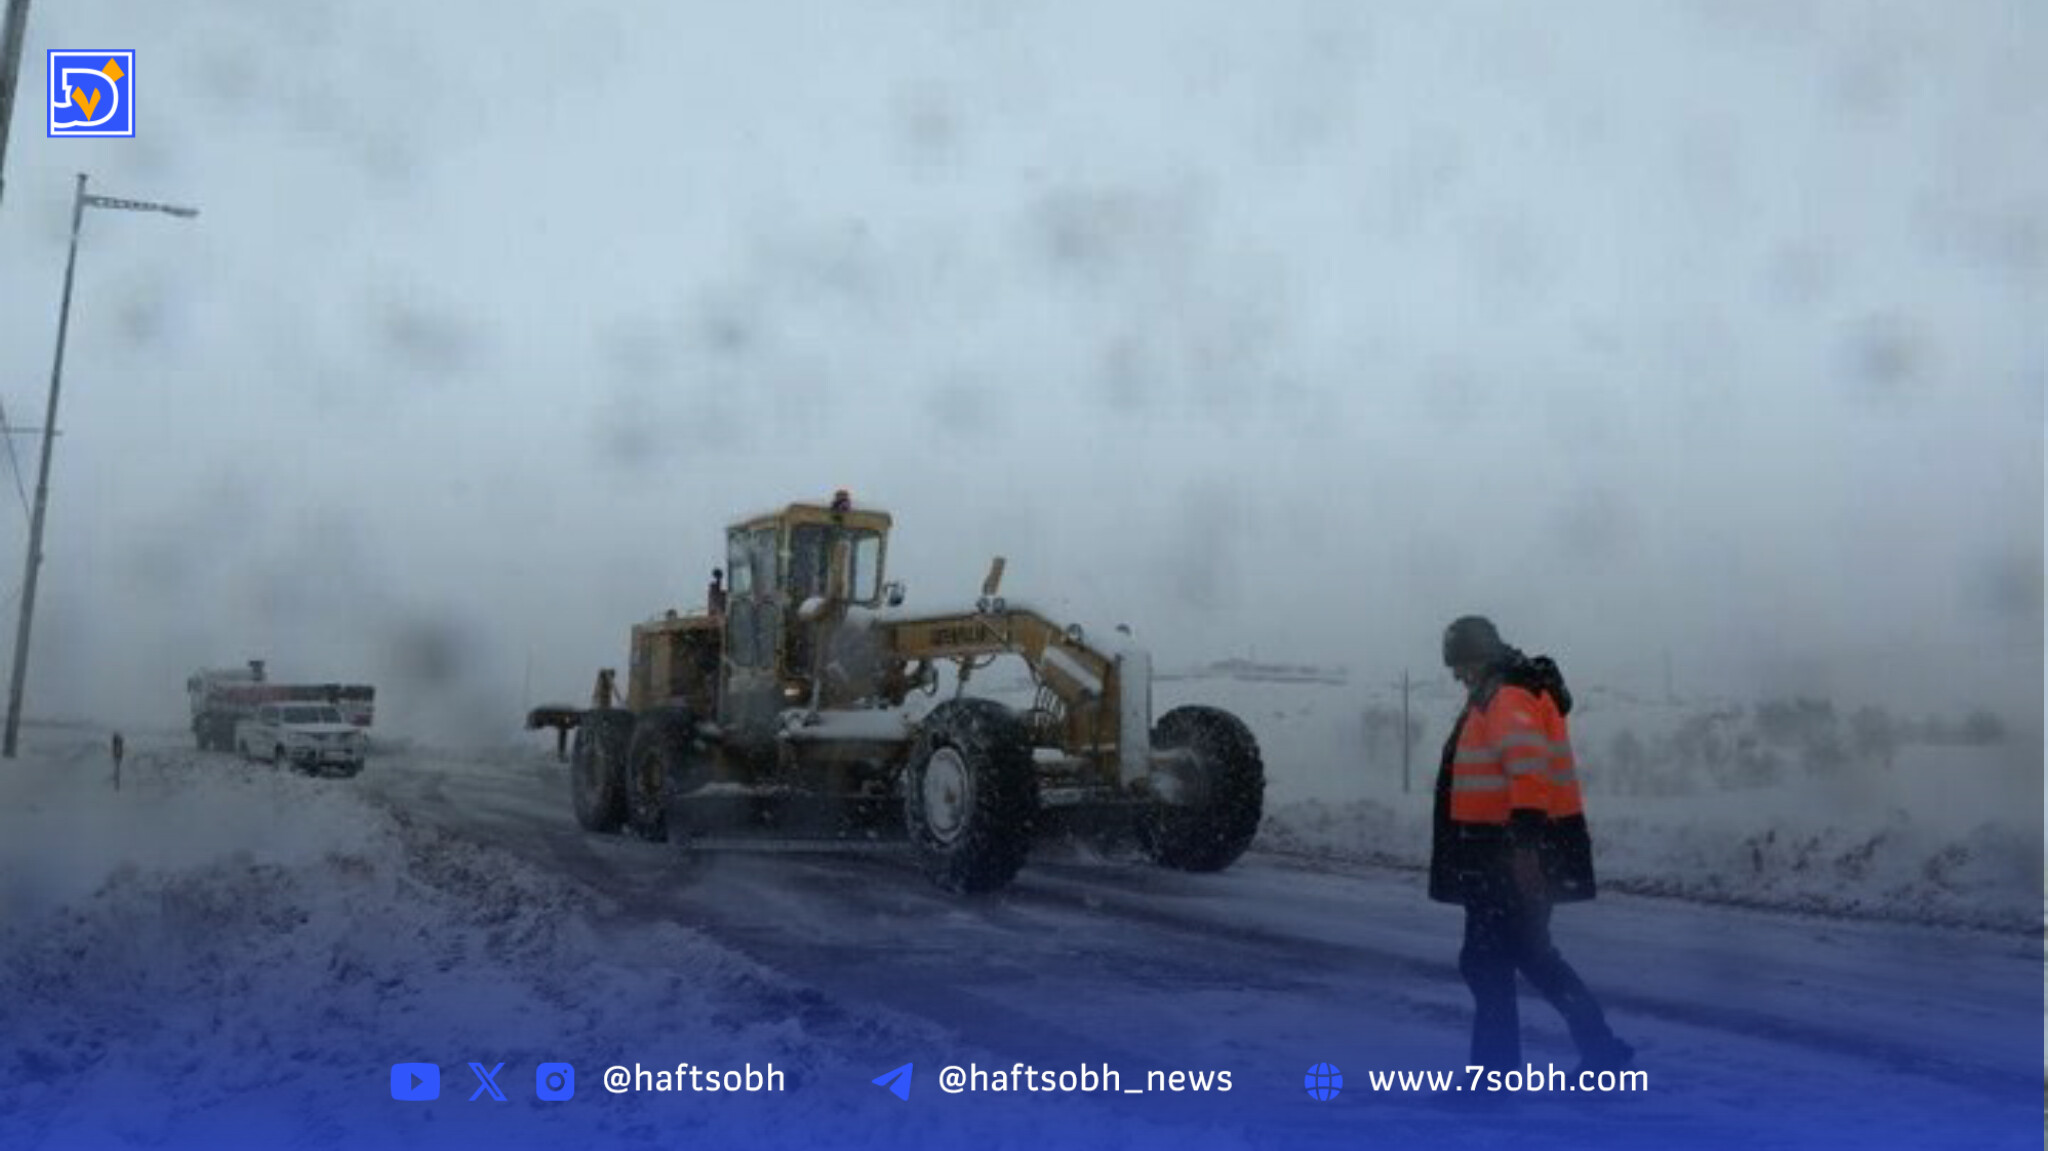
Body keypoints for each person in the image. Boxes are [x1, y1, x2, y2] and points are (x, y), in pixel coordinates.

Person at [1429, 615, 1633, 1076]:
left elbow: (1529, 772)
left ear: (1480, 657)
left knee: (1487, 963)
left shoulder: (1508, 696)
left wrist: (1523, 851)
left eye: (1461, 665)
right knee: (1529, 955)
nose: (1459, 676)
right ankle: (1600, 1049)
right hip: (1508, 849)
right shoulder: (1506, 691)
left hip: (1506, 853)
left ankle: (1493, 1079)